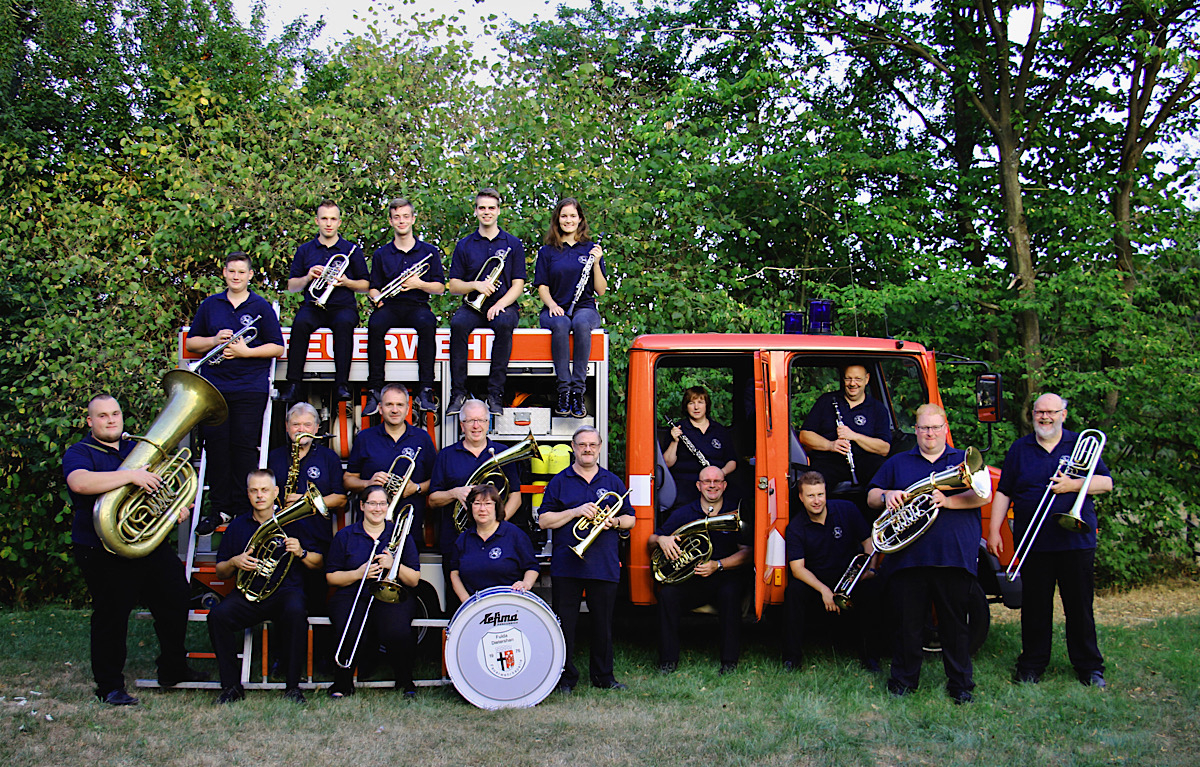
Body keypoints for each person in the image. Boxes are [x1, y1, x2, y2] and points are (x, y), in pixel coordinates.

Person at [63, 394, 202, 705]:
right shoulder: (80, 452)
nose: (111, 420)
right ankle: (109, 686)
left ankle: (172, 668)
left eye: (115, 414)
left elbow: (163, 486)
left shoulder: (138, 449)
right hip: (101, 549)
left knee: (176, 597)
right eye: (103, 416)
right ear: (90, 422)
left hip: (145, 542)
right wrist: (130, 475)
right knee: (112, 615)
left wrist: (172, 509)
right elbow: (80, 483)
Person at [986, 393, 1113, 688]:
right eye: (1039, 412)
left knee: (1079, 607)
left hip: (1075, 541)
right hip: (1034, 543)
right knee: (1035, 607)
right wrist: (994, 530)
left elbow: (1105, 483)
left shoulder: (1081, 444)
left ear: (1063, 415)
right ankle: (1031, 665)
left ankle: (1089, 667)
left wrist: (1074, 484)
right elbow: (1004, 491)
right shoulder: (1020, 448)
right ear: (1032, 415)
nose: (1045, 417)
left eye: (1052, 412)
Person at [867, 403, 987, 703]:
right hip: (908, 558)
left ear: (944, 428)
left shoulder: (962, 460)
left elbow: (982, 497)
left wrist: (948, 502)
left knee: (955, 626)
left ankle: (960, 687)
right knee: (907, 625)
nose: (929, 433)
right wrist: (887, 496)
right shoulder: (899, 462)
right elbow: (870, 497)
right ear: (915, 430)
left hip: (952, 556)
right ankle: (903, 682)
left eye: (935, 427)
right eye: (923, 428)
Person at [187, 252, 286, 536]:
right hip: (214, 388)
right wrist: (212, 340)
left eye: (241, 272)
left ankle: (244, 509)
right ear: (225, 273)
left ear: (250, 275)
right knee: (216, 448)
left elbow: (277, 348)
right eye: (231, 272)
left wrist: (246, 352)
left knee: (243, 449)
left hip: (249, 389)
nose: (236, 276)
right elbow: (193, 342)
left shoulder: (260, 306)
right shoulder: (210, 305)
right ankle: (219, 507)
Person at [207, 469, 324, 705]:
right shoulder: (238, 526)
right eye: (254, 490)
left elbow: (318, 562)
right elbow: (221, 570)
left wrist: (300, 552)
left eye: (264, 490)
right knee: (217, 616)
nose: (259, 495)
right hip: (249, 594)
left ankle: (293, 687)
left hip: (285, 592)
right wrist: (234, 562)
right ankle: (231, 686)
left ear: (275, 492)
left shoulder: (294, 522)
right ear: (248, 494)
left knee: (295, 611)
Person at [537, 426, 632, 693]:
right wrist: (576, 511)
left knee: (603, 624)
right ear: (573, 447)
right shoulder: (559, 481)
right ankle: (564, 678)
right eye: (582, 445)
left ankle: (604, 677)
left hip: (603, 564)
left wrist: (614, 521)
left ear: (600, 447)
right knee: (565, 623)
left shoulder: (612, 481)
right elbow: (544, 519)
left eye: (592, 444)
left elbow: (631, 519)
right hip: (567, 564)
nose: (587, 449)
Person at [650, 465, 750, 675]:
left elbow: (748, 553)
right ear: (698, 485)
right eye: (707, 481)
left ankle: (729, 661)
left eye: (716, 482)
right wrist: (662, 539)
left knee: (730, 593)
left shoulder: (735, 513)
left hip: (724, 576)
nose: (712, 486)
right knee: (668, 595)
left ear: (724, 485)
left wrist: (718, 565)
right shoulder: (684, 513)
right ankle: (668, 661)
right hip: (692, 579)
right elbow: (650, 540)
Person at [325, 485, 420, 698]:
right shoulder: (346, 535)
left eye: (382, 504)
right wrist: (359, 573)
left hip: (389, 594)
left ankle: (405, 681)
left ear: (388, 506)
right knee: (350, 629)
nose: (377, 508)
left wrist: (393, 563)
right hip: (352, 592)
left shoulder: (401, 534)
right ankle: (342, 683)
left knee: (397, 631)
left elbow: (413, 579)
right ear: (362, 506)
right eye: (372, 503)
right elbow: (331, 577)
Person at [427, 398, 523, 603]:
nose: (476, 426)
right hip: (457, 540)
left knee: (501, 602)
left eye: (480, 420)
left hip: (498, 541)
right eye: (470, 421)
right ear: (462, 425)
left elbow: (515, 495)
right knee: (458, 602)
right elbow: (433, 500)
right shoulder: (446, 455)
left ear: (488, 423)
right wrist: (453, 493)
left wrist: (497, 523)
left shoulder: (503, 453)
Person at [783, 471, 880, 672]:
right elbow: (797, 569)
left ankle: (871, 657)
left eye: (820, 494)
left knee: (873, 589)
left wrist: (870, 568)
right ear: (801, 498)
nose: (817, 501)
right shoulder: (795, 527)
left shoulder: (847, 509)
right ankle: (792, 659)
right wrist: (824, 591)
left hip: (848, 577)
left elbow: (868, 541)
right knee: (794, 591)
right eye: (811, 496)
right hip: (816, 580)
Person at [277, 199, 370, 405]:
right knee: (300, 324)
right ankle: (293, 383)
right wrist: (308, 277)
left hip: (343, 306)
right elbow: (292, 286)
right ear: (317, 221)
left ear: (339, 222)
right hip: (314, 305)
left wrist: (346, 282)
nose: (329, 223)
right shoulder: (305, 250)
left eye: (333, 219)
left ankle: (341, 384)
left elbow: (365, 285)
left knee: (344, 325)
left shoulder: (351, 249)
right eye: (325, 219)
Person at [445, 188, 526, 417]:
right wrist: (476, 285)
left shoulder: (513, 244)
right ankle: (458, 393)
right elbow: (453, 286)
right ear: (476, 211)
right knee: (458, 325)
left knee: (503, 325)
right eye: (482, 208)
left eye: (491, 208)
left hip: (503, 305)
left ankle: (495, 394)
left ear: (499, 211)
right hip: (473, 305)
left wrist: (501, 304)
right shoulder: (464, 244)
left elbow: (518, 284)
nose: (487, 212)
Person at [364, 197, 445, 418]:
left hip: (417, 305)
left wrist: (419, 284)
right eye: (397, 217)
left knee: (428, 324)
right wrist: (376, 298)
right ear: (390, 221)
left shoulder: (428, 251)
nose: (402, 221)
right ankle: (374, 389)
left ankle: (425, 389)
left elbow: (439, 287)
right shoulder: (382, 254)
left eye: (406, 217)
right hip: (390, 305)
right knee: (375, 323)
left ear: (413, 219)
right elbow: (373, 287)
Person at [267, 402, 346, 616]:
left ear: (317, 428)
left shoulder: (329, 458)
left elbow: (341, 499)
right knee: (281, 607)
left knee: (316, 606)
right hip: (279, 540)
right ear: (286, 426)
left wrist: (306, 501)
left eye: (307, 425)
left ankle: (317, 649)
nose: (301, 429)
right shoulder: (272, 457)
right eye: (296, 425)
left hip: (315, 542)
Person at [533, 197, 607, 418]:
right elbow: (542, 287)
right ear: (558, 219)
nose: (568, 220)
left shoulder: (591, 249)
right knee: (562, 322)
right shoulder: (548, 252)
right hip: (554, 308)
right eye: (564, 216)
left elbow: (601, 290)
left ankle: (578, 391)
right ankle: (563, 390)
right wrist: (553, 305)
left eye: (573, 216)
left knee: (582, 323)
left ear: (580, 219)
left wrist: (595, 262)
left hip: (584, 307)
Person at [343, 384, 435, 536]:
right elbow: (348, 479)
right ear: (380, 408)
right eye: (389, 405)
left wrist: (417, 488)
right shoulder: (365, 438)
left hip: (409, 525)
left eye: (399, 405)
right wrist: (368, 483)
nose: (394, 410)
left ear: (407, 409)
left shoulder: (422, 438)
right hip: (370, 526)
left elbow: (436, 481)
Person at [798, 364, 892, 491]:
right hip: (828, 463)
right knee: (811, 486)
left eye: (858, 379)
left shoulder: (878, 409)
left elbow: (884, 448)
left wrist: (854, 436)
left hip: (865, 462)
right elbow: (804, 436)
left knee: (883, 477)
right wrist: (830, 445)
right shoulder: (827, 401)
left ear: (867, 379)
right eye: (848, 378)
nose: (853, 383)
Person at [448, 484, 539, 601]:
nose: (482, 509)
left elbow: (532, 567)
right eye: (477, 503)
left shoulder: (515, 535)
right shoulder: (463, 539)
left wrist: (526, 584)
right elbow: (454, 573)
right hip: (475, 607)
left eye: (488, 504)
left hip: (510, 605)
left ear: (497, 507)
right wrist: (467, 602)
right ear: (470, 507)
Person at [663, 386, 738, 508]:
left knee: (737, 498)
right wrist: (675, 441)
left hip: (715, 482)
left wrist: (718, 475)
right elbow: (667, 463)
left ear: (706, 405)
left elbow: (732, 461)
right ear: (686, 406)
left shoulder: (719, 430)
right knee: (682, 502)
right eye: (691, 403)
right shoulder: (677, 428)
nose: (696, 407)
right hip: (685, 482)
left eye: (700, 402)